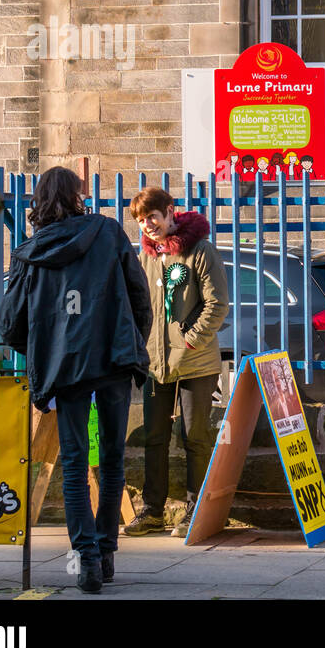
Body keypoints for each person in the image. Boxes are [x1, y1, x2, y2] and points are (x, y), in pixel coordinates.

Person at [0, 167, 152, 594]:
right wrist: (133, 342)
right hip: (113, 359)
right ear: (78, 196)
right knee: (112, 457)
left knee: (73, 462)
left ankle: (85, 555)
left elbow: (10, 322)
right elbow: (139, 294)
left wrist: (43, 354)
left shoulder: (30, 252)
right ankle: (105, 551)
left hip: (66, 367)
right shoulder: (107, 232)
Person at [125, 187, 230, 539]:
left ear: (170, 212)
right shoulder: (147, 257)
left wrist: (190, 341)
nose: (148, 225)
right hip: (156, 364)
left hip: (196, 363)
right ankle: (153, 512)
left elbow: (217, 304)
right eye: (141, 221)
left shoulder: (200, 250)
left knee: (195, 437)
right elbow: (141, 307)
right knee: (155, 437)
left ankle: (196, 509)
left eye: (152, 217)